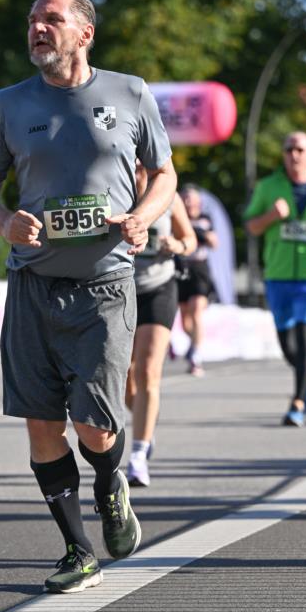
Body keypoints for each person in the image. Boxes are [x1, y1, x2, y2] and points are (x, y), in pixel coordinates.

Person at [0, 0, 176, 594]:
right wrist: (4, 223)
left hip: (106, 283)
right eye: (33, 18)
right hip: (32, 283)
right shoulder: (9, 105)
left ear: (84, 32)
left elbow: (164, 174)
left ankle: (110, 482)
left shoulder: (130, 93)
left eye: (52, 19)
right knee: (40, 423)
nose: (38, 27)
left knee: (95, 428)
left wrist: (143, 215)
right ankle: (77, 550)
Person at [245, 131, 306, 426]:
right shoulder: (268, 186)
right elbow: (251, 226)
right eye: (289, 149)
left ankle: (298, 403)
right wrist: (271, 216)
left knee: (304, 337)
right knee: (288, 346)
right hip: (279, 274)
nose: (294, 155)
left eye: (300, 149)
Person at [125, 162, 197, 486]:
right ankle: (146, 422)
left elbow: (190, 239)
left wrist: (177, 246)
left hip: (159, 287)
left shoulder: (167, 192)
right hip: (120, 290)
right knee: (124, 379)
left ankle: (138, 455)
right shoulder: (113, 189)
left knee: (148, 371)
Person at [177, 184, 218, 376]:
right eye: (185, 199)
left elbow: (214, 242)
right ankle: (194, 343)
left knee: (196, 311)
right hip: (181, 269)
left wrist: (201, 235)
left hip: (199, 270)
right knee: (186, 321)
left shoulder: (205, 219)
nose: (188, 203)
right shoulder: (175, 218)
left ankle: (196, 356)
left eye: (192, 199)